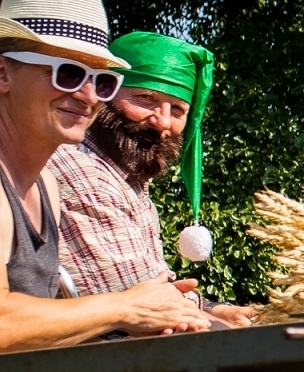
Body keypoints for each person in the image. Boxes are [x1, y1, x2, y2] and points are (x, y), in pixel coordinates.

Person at [0, 0, 210, 352]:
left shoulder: (43, 183)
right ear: (3, 73)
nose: (86, 96)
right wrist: (123, 307)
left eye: (103, 82)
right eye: (67, 73)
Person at [49, 30, 253, 327]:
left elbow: (153, 285)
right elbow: (133, 295)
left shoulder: (127, 180)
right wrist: (216, 322)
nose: (163, 122)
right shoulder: (84, 172)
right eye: (145, 98)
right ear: (104, 92)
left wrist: (213, 308)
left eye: (179, 109)